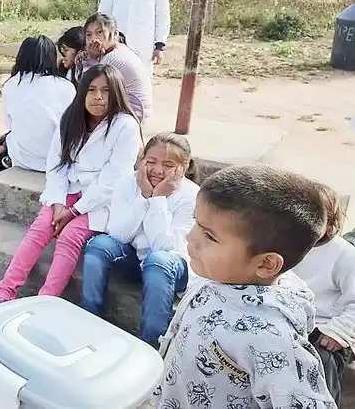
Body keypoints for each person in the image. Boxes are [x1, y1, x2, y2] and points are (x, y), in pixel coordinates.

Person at [151, 165, 339, 409]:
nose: (191, 237)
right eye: (197, 223)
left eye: (209, 236)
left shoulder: (271, 339)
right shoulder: (219, 275)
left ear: (266, 263)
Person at [0, 64, 141, 303]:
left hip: (102, 201)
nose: (98, 97)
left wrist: (74, 211)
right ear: (82, 92)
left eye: (105, 91)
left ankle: (44, 302)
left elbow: (113, 179)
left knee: (70, 235)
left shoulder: (126, 126)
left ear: (116, 93)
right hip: (69, 192)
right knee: (41, 227)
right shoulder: (71, 119)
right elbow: (57, 166)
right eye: (91, 90)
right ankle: (4, 293)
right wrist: (58, 203)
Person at [81, 132, 200, 347]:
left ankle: (152, 344)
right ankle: (89, 320)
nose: (157, 170)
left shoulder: (191, 195)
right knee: (98, 246)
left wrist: (158, 199)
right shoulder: (129, 181)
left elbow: (165, 247)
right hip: (135, 259)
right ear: (142, 159)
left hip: (171, 269)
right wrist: (144, 197)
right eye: (151, 161)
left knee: (158, 260)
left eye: (168, 165)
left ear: (183, 167)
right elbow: (118, 233)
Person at [291, 187, 353, 406]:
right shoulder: (288, 243)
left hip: (325, 330)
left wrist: (338, 332)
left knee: (319, 366)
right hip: (288, 322)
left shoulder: (345, 255)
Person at [0, 35, 75, 174]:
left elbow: (12, 126)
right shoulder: (67, 87)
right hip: (57, 160)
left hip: (24, 160)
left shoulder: (11, 85)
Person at [84, 12, 153, 124]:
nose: (93, 39)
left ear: (115, 34)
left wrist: (91, 59)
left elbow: (88, 86)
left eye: (99, 32)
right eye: (88, 35)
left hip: (132, 113)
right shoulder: (117, 50)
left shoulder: (113, 58)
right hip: (133, 110)